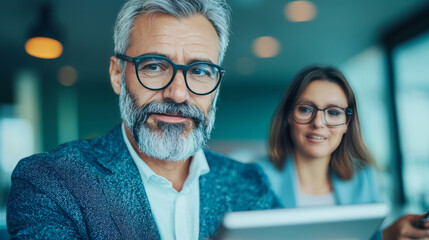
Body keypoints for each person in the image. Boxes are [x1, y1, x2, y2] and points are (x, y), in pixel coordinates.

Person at [7, 1, 280, 239]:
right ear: (117, 74)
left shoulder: (251, 184)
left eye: (199, 70)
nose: (178, 93)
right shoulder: (50, 181)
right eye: (154, 66)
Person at [258, 65, 429, 240]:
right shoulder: (256, 178)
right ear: (288, 115)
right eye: (306, 109)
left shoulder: (363, 178)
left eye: (333, 112)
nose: (318, 123)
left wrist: (387, 236)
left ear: (347, 123)